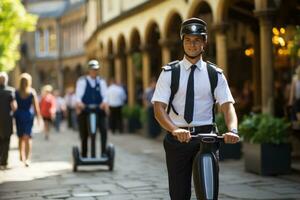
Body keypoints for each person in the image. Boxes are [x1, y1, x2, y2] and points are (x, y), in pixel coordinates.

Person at [151, 18, 240, 200]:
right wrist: (175, 129)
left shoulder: (215, 74)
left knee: (208, 193)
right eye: (188, 40)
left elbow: (227, 106)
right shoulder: (169, 73)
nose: (192, 45)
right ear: (182, 42)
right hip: (178, 139)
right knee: (179, 194)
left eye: (197, 40)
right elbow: (159, 108)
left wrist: (232, 130)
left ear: (204, 42)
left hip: (206, 139)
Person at [75, 59, 109, 157]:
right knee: (84, 133)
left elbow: (105, 95)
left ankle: (103, 153)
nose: (94, 71)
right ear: (88, 70)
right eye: (92, 69)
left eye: (96, 69)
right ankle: (84, 154)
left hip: (99, 110)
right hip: (86, 110)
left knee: (104, 130)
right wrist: (80, 103)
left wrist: (104, 103)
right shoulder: (82, 81)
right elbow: (78, 96)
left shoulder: (101, 81)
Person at [14, 73, 41, 167]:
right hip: (28, 116)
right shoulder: (31, 92)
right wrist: (39, 118)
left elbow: (14, 106)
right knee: (27, 137)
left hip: (19, 115)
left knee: (21, 137)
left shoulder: (16, 92)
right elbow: (36, 107)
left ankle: (22, 156)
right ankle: (27, 158)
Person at [0, 72, 17, 170]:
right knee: (6, 141)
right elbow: (14, 107)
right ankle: (4, 162)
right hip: (6, 119)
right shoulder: (10, 91)